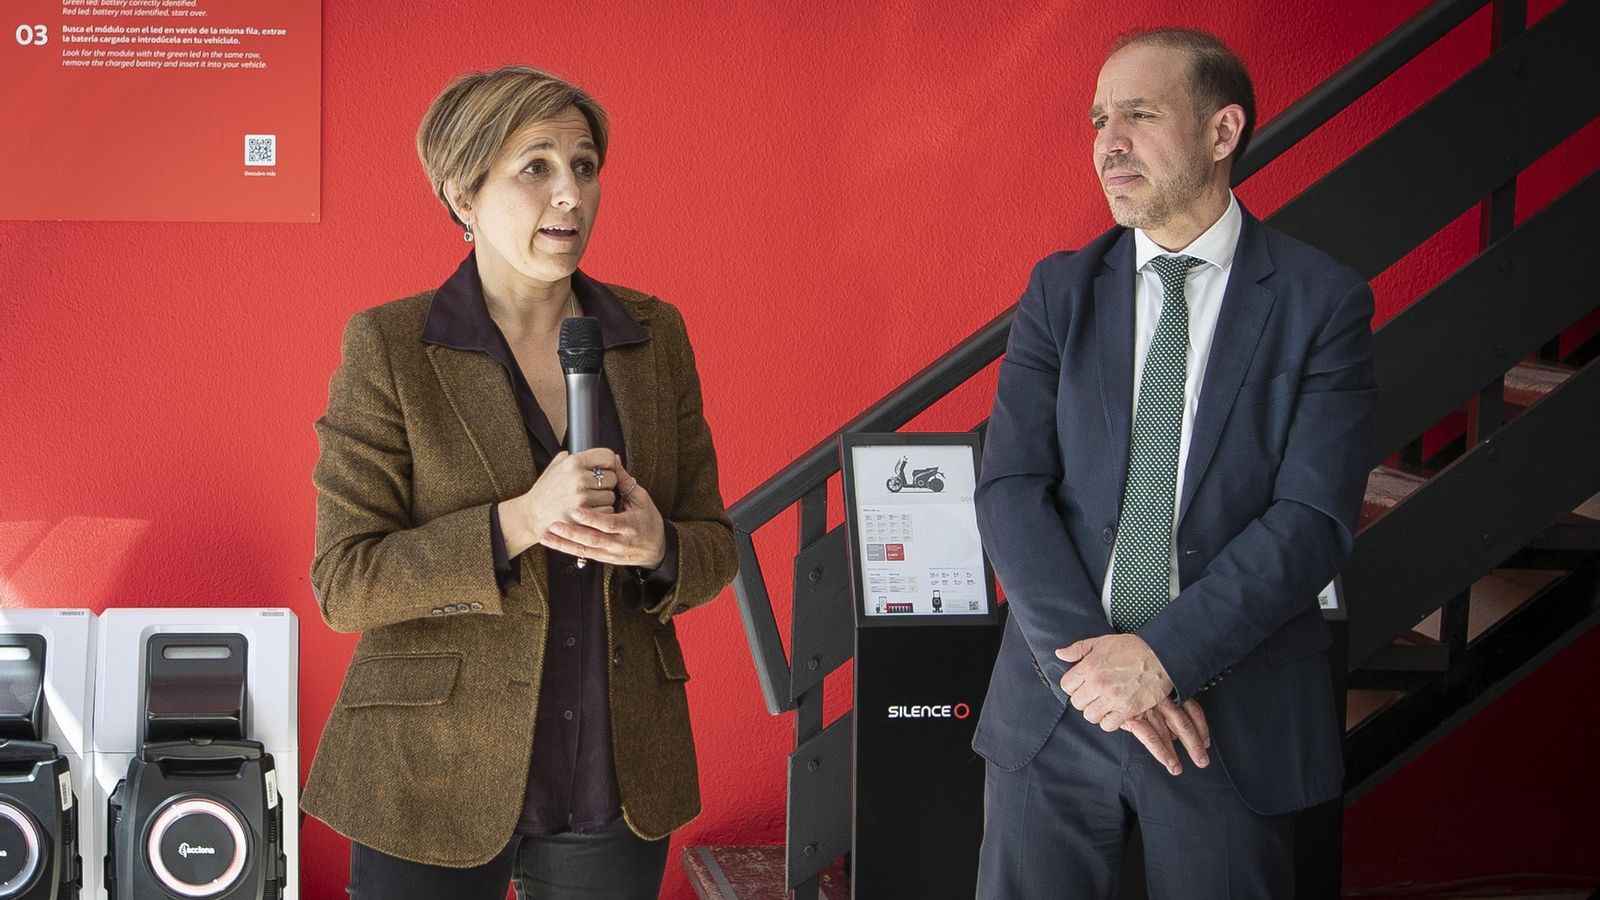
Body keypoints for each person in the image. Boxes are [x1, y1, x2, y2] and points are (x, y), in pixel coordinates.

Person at [301, 65, 738, 900]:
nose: (569, 193)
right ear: (463, 193)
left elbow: (715, 543)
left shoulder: (652, 335)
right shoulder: (392, 347)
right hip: (426, 771)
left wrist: (662, 549)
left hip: (613, 773)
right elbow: (344, 582)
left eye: (583, 164)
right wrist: (516, 521)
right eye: (534, 166)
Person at [973, 28, 1376, 898]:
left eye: (1140, 114)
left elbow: (1313, 520)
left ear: (1222, 132)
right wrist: (1096, 669)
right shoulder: (1057, 292)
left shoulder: (1322, 302)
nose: (1106, 143)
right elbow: (1010, 488)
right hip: (1056, 705)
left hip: (1230, 719)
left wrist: (1160, 659)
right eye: (1098, 118)